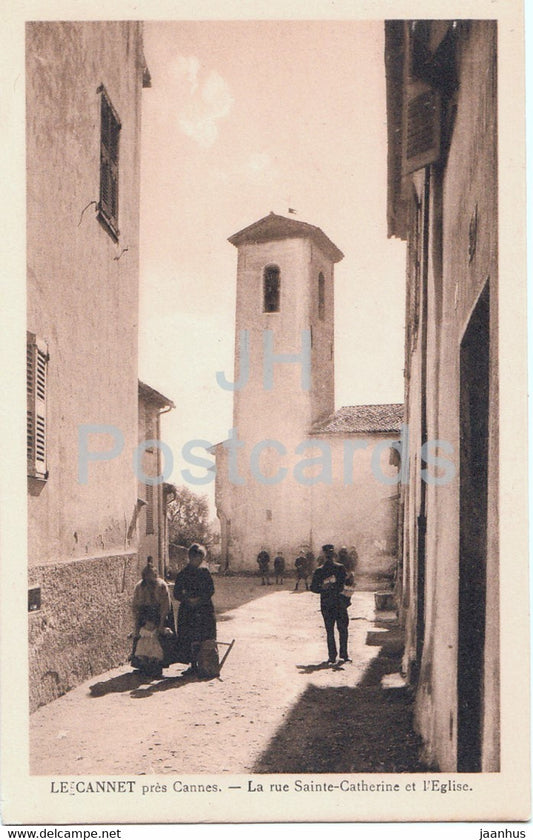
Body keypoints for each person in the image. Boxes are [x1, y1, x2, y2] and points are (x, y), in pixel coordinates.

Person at [173, 543, 217, 677]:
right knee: (190, 638)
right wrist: (187, 599)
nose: (199, 561)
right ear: (190, 557)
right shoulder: (183, 574)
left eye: (200, 558)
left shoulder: (205, 573)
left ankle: (204, 664)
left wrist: (199, 600)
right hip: (188, 611)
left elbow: (210, 590)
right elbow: (176, 593)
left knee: (203, 637)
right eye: (196, 558)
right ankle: (192, 665)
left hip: (204, 610)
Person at [310, 544, 351, 665]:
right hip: (340, 603)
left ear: (324, 555)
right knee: (343, 629)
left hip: (327, 604)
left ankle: (332, 657)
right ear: (334, 555)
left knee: (330, 631)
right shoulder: (340, 568)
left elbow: (313, 588)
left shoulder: (320, 570)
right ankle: (344, 655)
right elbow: (347, 583)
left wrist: (323, 588)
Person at [131, 560, 173, 676]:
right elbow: (136, 606)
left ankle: (157, 665)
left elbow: (165, 606)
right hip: (144, 615)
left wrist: (161, 624)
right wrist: (137, 623)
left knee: (157, 641)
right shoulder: (139, 587)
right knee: (143, 640)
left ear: (155, 576)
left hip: (158, 614)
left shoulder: (161, 586)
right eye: (147, 578)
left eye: (152, 578)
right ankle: (141, 664)